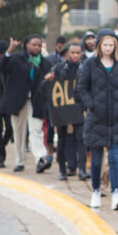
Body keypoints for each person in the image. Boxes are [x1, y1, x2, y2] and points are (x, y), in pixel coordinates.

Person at [78, 30, 118, 210]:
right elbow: (81, 87)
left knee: (115, 158)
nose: (108, 48)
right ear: (99, 45)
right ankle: (95, 191)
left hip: (116, 118)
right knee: (96, 159)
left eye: (111, 45)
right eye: (105, 44)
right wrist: (90, 104)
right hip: (96, 119)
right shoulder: (90, 64)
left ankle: (116, 193)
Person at [0, 34, 53, 173]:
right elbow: (1, 67)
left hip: (36, 101)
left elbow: (48, 85)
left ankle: (40, 159)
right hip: (17, 101)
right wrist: (9, 51)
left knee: (36, 130)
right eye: (34, 44)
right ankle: (20, 161)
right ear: (27, 45)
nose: (37, 47)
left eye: (39, 45)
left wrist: (47, 80)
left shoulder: (45, 63)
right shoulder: (16, 59)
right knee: (19, 131)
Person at [45, 43, 89, 181]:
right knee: (62, 140)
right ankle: (62, 171)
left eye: (78, 52)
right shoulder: (58, 68)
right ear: (68, 54)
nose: (75, 55)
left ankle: (81, 169)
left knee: (81, 139)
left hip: (78, 109)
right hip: (62, 110)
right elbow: (46, 88)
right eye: (73, 53)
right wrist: (47, 81)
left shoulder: (84, 68)